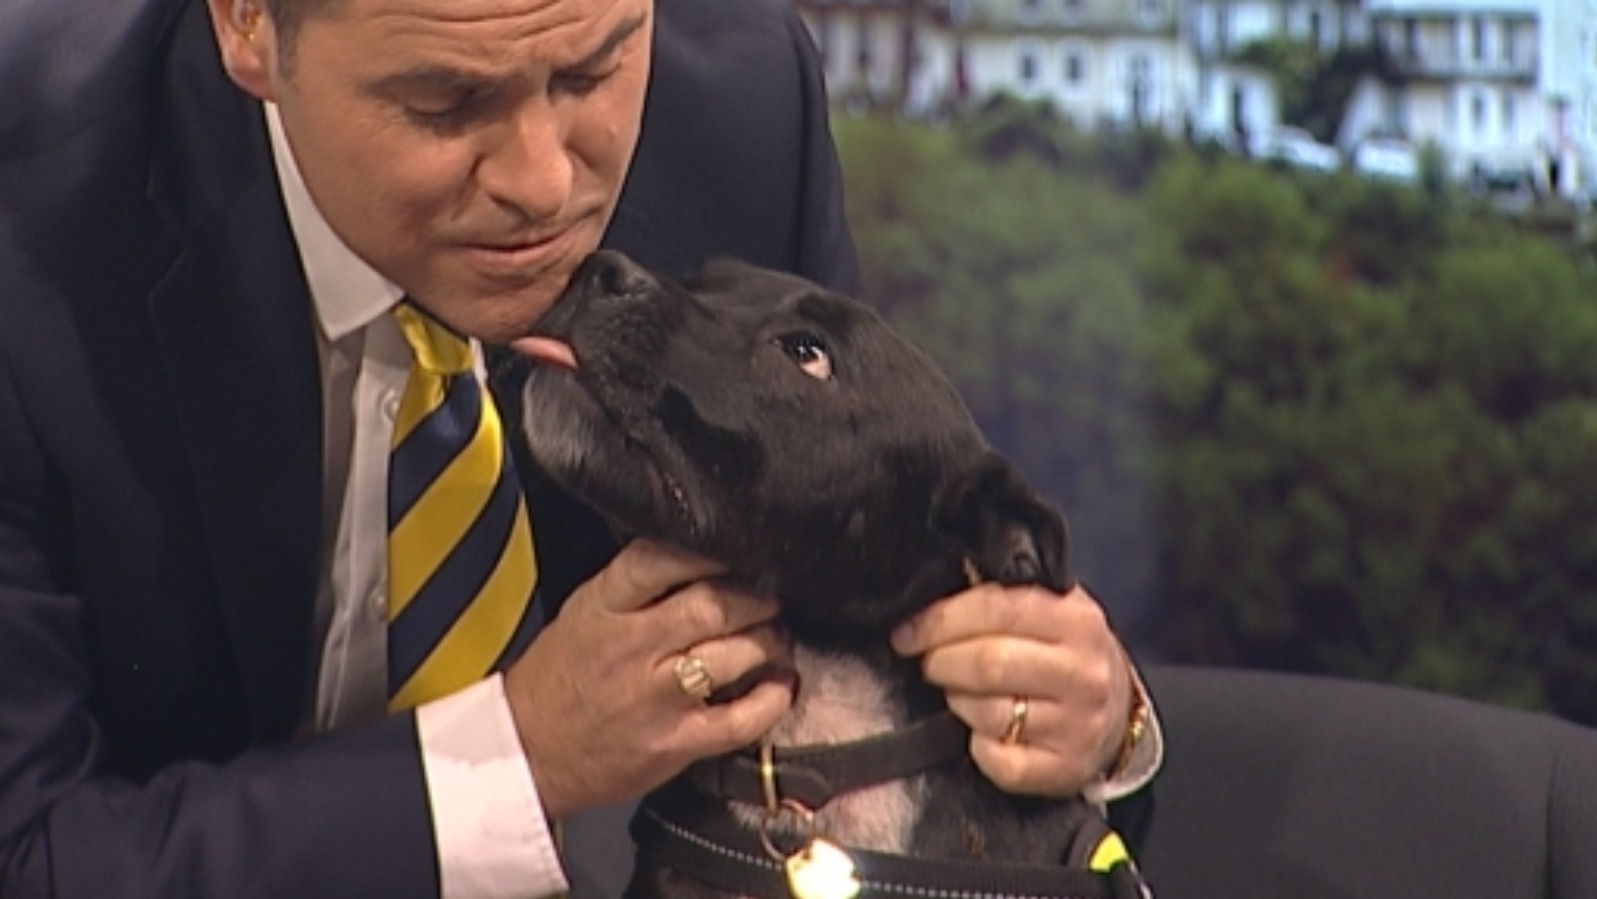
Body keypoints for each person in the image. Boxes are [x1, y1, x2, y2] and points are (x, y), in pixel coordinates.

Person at [0, 0, 1161, 895]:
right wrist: (519, 755)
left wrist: (1079, 717)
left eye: (591, 72)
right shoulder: (32, 218)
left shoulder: (738, 106)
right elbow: (29, 852)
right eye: (445, 102)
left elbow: (862, 601)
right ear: (248, 24)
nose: (544, 183)